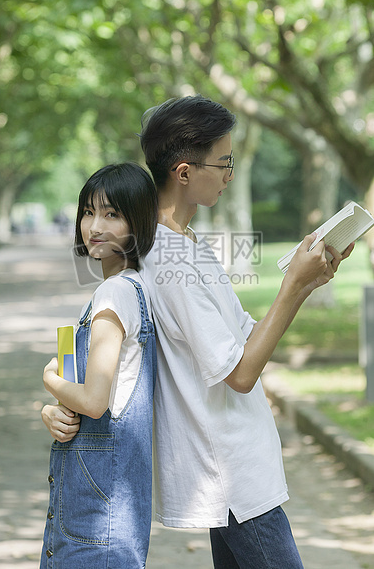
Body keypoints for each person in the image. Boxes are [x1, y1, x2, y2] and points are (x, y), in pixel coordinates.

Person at [43, 95, 353, 568]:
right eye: (224, 162)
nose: (229, 173)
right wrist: (56, 393)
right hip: (230, 474)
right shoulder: (164, 259)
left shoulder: (187, 245)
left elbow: (248, 335)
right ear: (185, 171)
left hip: (237, 469)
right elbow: (240, 373)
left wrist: (305, 281)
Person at [39, 162, 158, 569]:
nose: (95, 225)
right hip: (109, 502)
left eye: (112, 214)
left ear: (139, 221)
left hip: (97, 508)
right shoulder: (134, 287)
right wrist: (51, 410)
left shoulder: (114, 292)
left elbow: (93, 400)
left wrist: (48, 378)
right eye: (89, 212)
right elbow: (87, 388)